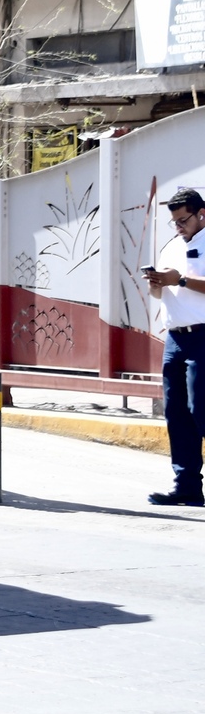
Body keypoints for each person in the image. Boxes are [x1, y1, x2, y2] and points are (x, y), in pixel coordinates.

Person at [143, 187, 205, 506]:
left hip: (204, 336)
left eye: (183, 220)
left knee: (201, 409)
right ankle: (187, 487)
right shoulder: (171, 247)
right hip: (176, 338)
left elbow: (185, 282)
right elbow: (161, 294)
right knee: (177, 413)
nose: (179, 226)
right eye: (175, 221)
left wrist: (179, 280)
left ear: (201, 214)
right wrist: (157, 284)